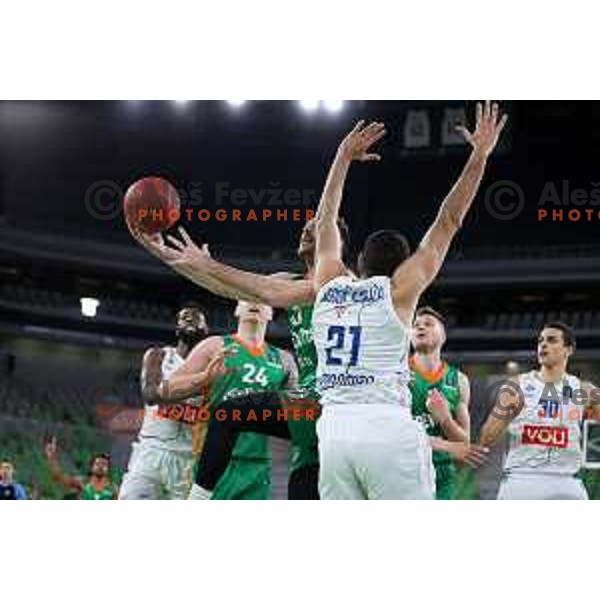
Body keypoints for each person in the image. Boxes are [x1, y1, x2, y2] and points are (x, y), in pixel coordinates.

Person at [311, 104, 507, 499]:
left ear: (358, 263)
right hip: (385, 427)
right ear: (403, 265)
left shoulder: (328, 284)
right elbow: (448, 220)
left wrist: (342, 158)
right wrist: (479, 156)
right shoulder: (400, 291)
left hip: (333, 432)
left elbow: (325, 222)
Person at [128, 208, 349, 500]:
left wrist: (206, 263)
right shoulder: (289, 282)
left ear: (334, 241)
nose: (305, 231)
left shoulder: (340, 284)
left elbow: (264, 289)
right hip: (307, 411)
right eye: (305, 226)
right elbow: (230, 286)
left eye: (316, 227)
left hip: (341, 405)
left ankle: (197, 498)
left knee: (231, 412)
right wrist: (163, 252)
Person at [162, 300, 298, 500]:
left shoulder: (284, 359)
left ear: (271, 312)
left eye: (262, 299)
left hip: (258, 465)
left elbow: (297, 418)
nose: (254, 302)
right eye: (246, 297)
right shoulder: (214, 345)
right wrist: (204, 378)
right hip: (212, 461)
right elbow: (166, 390)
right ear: (237, 310)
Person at [480, 322, 600, 499]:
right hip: (522, 479)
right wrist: (505, 413)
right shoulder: (516, 386)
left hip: (566, 481)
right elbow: (486, 439)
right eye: (540, 341)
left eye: (551, 340)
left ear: (569, 349)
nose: (543, 345)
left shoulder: (585, 390)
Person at [119, 303, 210, 499]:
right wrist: (198, 386)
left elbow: (209, 415)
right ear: (177, 328)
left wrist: (169, 399)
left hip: (187, 459)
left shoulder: (212, 367)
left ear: (205, 331)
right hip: (152, 450)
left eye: (195, 318)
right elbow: (151, 395)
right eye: (184, 317)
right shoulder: (158, 355)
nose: (189, 320)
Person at [410, 306, 479, 499]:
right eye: (416, 325)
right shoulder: (397, 375)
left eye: (428, 324)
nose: (420, 327)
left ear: (443, 336)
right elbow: (393, 435)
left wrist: (445, 419)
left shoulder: (459, 380)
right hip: (405, 468)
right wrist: (446, 444)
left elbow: (463, 444)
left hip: (443, 474)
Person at [45, 438, 117, 500]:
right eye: (97, 464)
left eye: (104, 464)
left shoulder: (113, 489)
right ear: (91, 467)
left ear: (108, 469)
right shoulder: (83, 482)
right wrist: (52, 458)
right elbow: (59, 477)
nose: (100, 467)